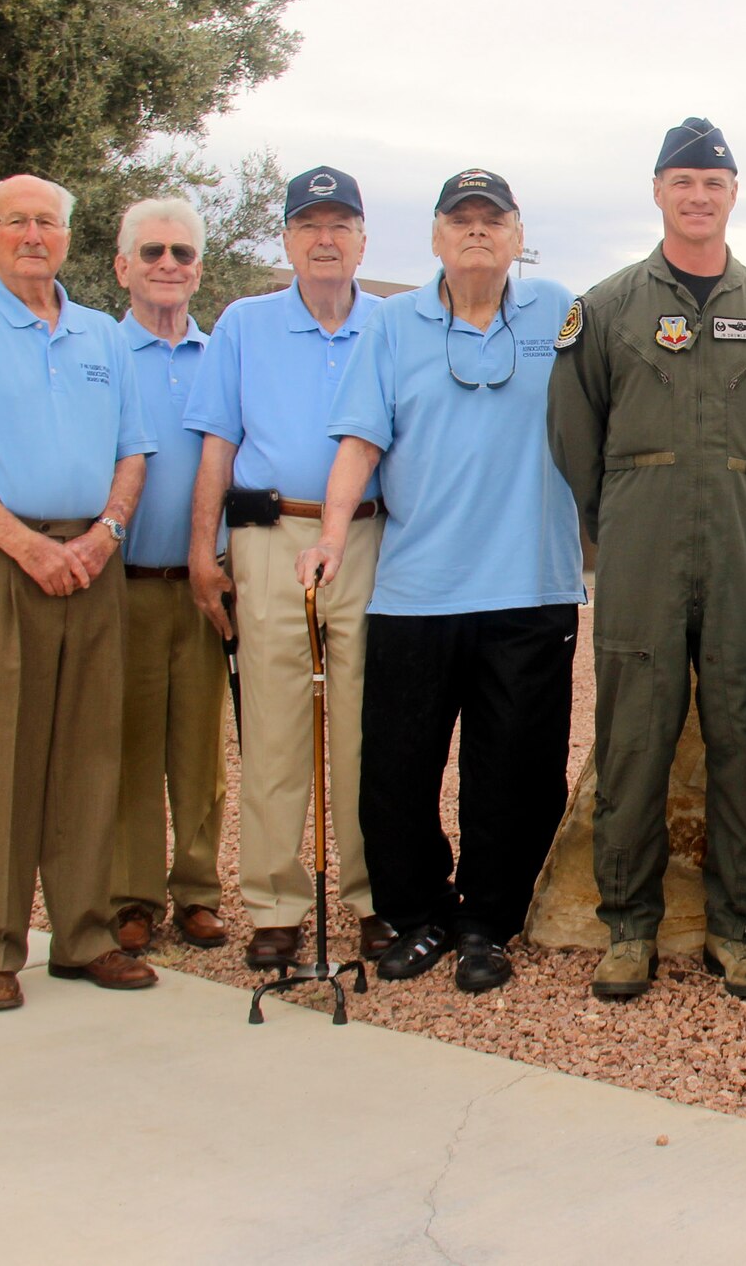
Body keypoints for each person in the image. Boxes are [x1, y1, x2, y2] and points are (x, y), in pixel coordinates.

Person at [549, 117, 746, 1002]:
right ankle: (627, 926)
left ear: (733, 193)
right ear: (659, 191)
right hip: (639, 543)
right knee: (633, 735)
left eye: (713, 181)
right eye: (681, 180)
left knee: (745, 730)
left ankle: (738, 928)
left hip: (743, 541)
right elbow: (573, 430)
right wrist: (622, 513)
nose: (697, 195)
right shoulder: (608, 306)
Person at [297, 170, 584, 994]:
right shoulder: (393, 325)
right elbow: (359, 439)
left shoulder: (558, 312)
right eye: (460, 221)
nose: (477, 233)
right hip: (416, 589)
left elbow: (611, 404)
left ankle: (489, 922)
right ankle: (419, 916)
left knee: (517, 771)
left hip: (531, 588)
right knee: (398, 768)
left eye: (492, 221)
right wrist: (328, 535)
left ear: (517, 235)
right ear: (434, 237)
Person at [0, 174, 158, 1009]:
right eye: (17, 222)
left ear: (69, 238)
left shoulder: (100, 338)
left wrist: (103, 535)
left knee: (89, 753)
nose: (34, 235)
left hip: (91, 559)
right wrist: (24, 546)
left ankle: (82, 938)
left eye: (48, 222)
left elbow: (133, 449)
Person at [182, 167, 394, 969]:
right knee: (272, 729)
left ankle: (372, 898)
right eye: (310, 225)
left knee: (368, 731)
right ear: (288, 240)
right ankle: (275, 905)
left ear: (364, 239)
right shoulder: (244, 323)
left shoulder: (394, 323)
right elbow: (216, 444)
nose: (326, 239)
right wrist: (205, 552)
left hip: (370, 541)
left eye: (341, 224)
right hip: (271, 540)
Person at [108, 197, 230, 954]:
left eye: (182, 254)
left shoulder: (223, 356)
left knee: (199, 747)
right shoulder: (98, 353)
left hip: (204, 587)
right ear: (122, 266)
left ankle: (197, 891)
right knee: (126, 746)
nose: (167, 266)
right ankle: (131, 897)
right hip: (120, 585)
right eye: (151, 252)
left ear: (198, 270)